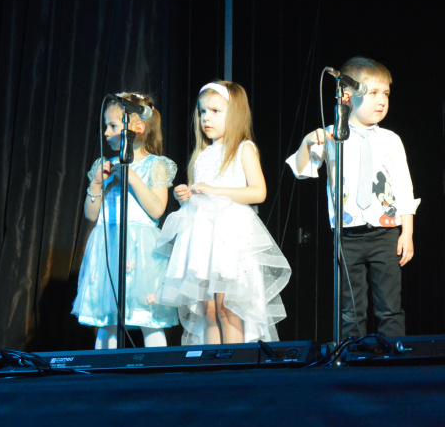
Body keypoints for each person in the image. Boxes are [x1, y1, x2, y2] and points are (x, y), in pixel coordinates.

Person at [287, 57, 419, 338]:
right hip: (347, 235)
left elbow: (404, 187)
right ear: (347, 96)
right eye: (373, 93)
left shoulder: (391, 140)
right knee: (350, 308)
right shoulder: (332, 136)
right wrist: (307, 142)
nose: (381, 101)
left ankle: (393, 354)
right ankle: (351, 354)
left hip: (384, 233)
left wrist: (407, 232)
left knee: (389, 305)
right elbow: (301, 171)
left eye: (385, 94)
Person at [156, 81, 291, 345]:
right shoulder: (202, 154)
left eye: (215, 111)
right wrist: (186, 195)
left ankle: (234, 363)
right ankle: (212, 363)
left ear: (235, 114)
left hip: (229, 239)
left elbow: (258, 192)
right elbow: (199, 195)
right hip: (203, 239)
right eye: (202, 111)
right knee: (208, 310)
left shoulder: (243, 149)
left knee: (228, 307)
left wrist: (215, 190)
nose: (206, 118)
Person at [72, 92, 179, 349]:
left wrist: (132, 177)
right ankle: (104, 370)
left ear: (137, 129)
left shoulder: (155, 165)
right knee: (107, 319)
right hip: (108, 245)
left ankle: (157, 369)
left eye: (112, 126)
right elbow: (91, 214)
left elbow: (157, 210)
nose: (106, 133)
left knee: (149, 318)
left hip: (141, 250)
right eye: (105, 126)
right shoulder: (105, 165)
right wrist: (96, 183)